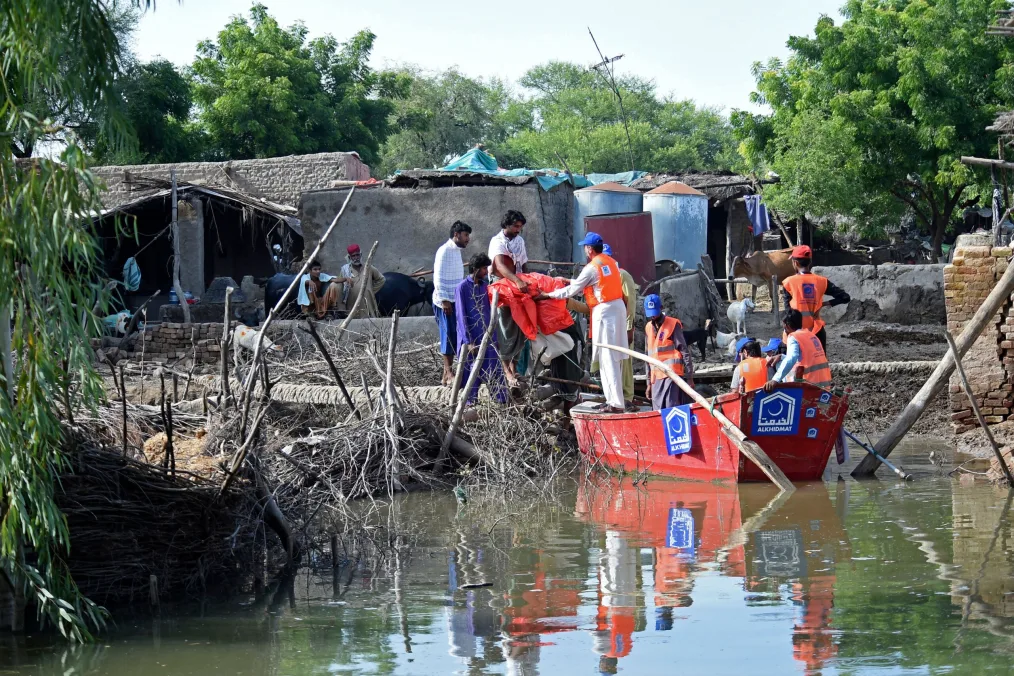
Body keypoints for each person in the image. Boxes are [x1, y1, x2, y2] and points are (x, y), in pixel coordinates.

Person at [539, 232, 628, 413]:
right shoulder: (611, 263)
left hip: (604, 312)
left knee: (607, 357)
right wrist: (570, 280)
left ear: (589, 249)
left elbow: (572, 290)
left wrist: (548, 295)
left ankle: (616, 404)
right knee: (613, 356)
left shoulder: (591, 268)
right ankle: (614, 400)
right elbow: (593, 283)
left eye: (585, 247)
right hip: (617, 309)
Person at [454, 253, 508, 405]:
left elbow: (491, 313)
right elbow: (460, 316)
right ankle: (471, 405)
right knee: (471, 372)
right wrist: (468, 341)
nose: (486, 271)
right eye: (484, 268)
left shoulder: (486, 287)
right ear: (475, 269)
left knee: (494, 369)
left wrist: (494, 338)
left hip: (487, 337)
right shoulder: (462, 288)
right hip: (471, 338)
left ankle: (501, 403)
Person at [781, 245, 850, 351]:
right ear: (810, 262)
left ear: (795, 263)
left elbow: (787, 312)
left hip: (796, 333)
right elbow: (845, 297)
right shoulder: (822, 281)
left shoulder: (788, 283)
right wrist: (825, 303)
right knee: (819, 363)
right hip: (817, 332)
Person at [488, 210, 530, 385]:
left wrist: (527, 281)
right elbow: (499, 266)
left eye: (520, 226)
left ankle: (514, 368)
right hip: (502, 286)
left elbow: (524, 264)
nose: (518, 230)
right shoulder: (497, 241)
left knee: (521, 326)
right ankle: (506, 370)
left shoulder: (519, 241)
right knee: (506, 328)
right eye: (515, 226)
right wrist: (517, 281)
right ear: (507, 225)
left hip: (519, 285)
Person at [592, 243, 636, 407]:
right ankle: (613, 397)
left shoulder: (622, 275)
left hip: (621, 325)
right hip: (608, 326)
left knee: (624, 361)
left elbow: (630, 302)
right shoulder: (601, 278)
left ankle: (627, 396)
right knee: (609, 363)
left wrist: (629, 327)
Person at [433, 221, 472, 385]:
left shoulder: (457, 252)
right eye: (465, 235)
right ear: (456, 235)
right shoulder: (444, 251)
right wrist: (444, 300)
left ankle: (446, 376)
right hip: (445, 301)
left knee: (456, 335)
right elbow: (438, 277)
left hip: (456, 300)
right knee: (448, 334)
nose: (467, 239)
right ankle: (449, 373)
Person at [643, 294, 694, 410]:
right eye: (650, 313)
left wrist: (689, 377)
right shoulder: (648, 328)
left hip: (672, 376)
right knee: (658, 413)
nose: (652, 317)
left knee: (672, 409)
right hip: (656, 379)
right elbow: (647, 357)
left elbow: (684, 350)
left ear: (661, 308)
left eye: (655, 313)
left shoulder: (673, 324)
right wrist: (648, 384)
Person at [764, 309, 833, 391]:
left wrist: (775, 379)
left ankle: (777, 391)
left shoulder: (793, 337)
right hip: (825, 383)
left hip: (810, 384)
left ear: (787, 325)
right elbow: (804, 358)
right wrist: (782, 356)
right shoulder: (811, 335)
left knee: (775, 363)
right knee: (781, 360)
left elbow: (791, 358)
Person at [340, 244, 386, 319]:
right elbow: (340, 285)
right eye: (353, 256)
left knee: (369, 322)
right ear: (349, 257)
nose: (356, 258)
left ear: (360, 255)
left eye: (357, 255)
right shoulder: (345, 270)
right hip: (352, 302)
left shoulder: (368, 267)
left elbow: (381, 279)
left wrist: (370, 290)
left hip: (367, 302)